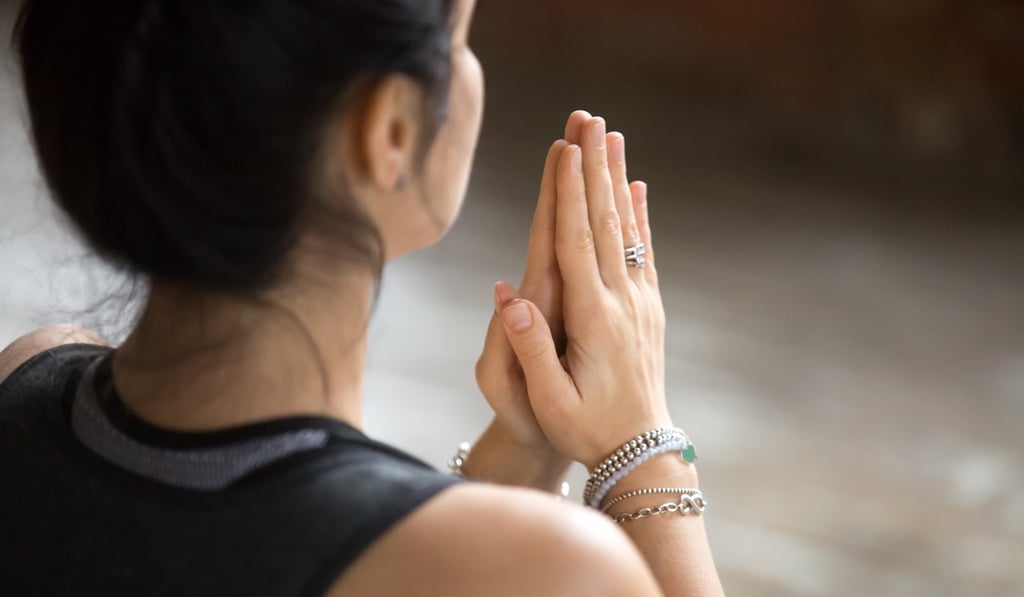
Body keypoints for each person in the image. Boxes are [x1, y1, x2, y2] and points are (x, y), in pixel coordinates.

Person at [0, 0, 725, 595]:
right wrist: (644, 445)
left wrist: (525, 449)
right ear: (392, 128)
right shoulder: (563, 573)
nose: (472, 71)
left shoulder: (25, 386)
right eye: (464, 37)